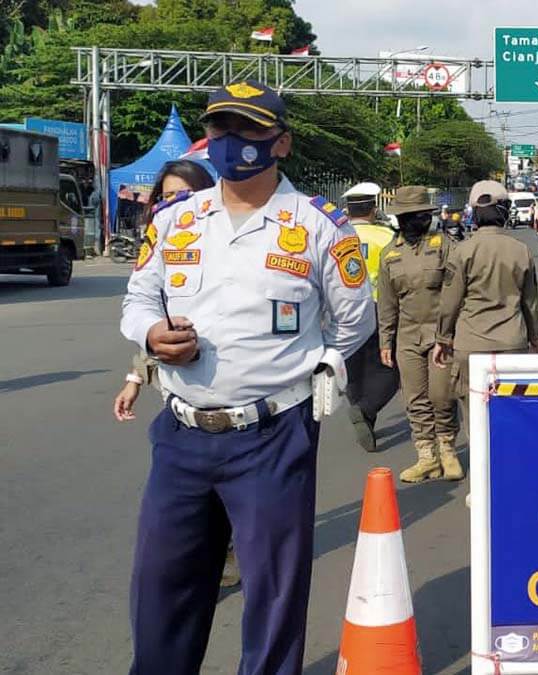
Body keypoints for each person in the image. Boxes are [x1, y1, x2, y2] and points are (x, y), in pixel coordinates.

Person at [119, 80, 374, 674]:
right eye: (221, 129)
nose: (232, 142)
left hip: (273, 433)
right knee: (162, 586)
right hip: (180, 433)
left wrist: (318, 370)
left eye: (249, 130)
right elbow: (138, 298)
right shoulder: (176, 220)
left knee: (272, 593)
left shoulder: (318, 227)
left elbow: (354, 319)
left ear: (280, 143)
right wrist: (151, 335)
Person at [111, 160, 246, 589]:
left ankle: (228, 548)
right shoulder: (161, 246)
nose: (174, 203)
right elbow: (152, 322)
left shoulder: (227, 245)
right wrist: (134, 380)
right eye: (166, 196)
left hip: (232, 387)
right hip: (177, 387)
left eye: (183, 194)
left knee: (225, 488)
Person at [433, 180, 538, 435]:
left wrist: (442, 339)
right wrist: (535, 339)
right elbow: (531, 303)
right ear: (505, 210)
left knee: (475, 415)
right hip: (512, 344)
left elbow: (450, 301)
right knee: (513, 415)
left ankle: (482, 473)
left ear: (475, 213)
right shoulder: (521, 250)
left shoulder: (462, 251)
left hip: (471, 345)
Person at [377, 186, 462, 483]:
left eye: (419, 215)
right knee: (415, 399)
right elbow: (387, 303)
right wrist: (385, 340)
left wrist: (452, 333)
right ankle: (426, 456)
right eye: (409, 216)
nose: (415, 220)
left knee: (442, 395)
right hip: (407, 336)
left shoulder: (445, 245)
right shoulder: (390, 255)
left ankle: (447, 449)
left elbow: (458, 291)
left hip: (442, 335)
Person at [340, 181, 401, 452]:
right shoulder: (386, 236)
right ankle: (366, 409)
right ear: (374, 209)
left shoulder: (335, 235)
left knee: (353, 369)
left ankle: (362, 412)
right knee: (390, 367)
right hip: (379, 307)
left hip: (341, 311)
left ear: (348, 210)